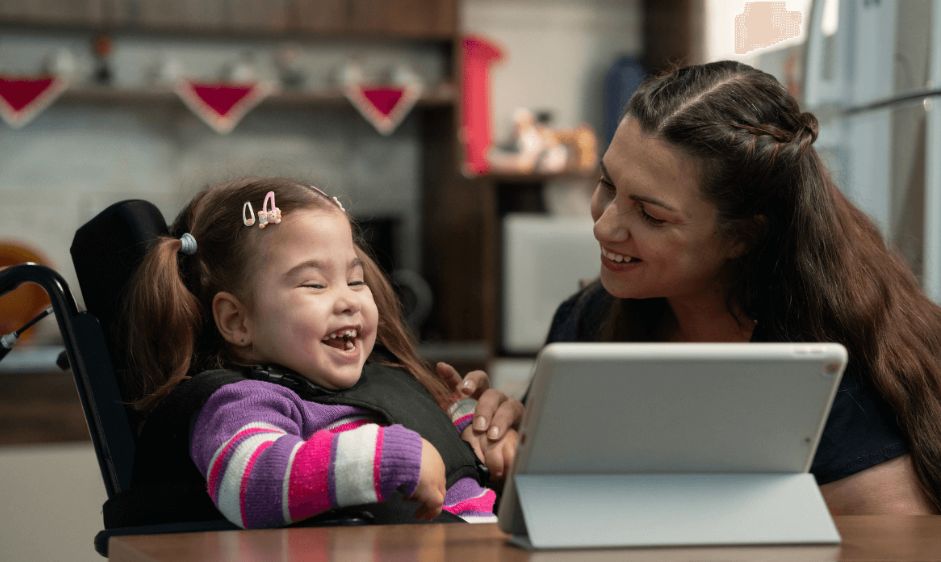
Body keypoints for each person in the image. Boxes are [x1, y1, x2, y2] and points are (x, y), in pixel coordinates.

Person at [541, 60, 941, 514]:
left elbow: (895, 540)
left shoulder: (834, 364)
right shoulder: (589, 317)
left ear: (742, 237)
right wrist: (501, 428)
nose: (605, 227)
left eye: (651, 215)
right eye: (608, 184)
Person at [118, 177, 517, 529]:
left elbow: (448, 434)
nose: (348, 301)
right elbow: (252, 480)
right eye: (313, 284)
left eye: (355, 279)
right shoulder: (242, 403)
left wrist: (479, 433)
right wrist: (386, 458)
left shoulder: (386, 377)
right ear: (237, 321)